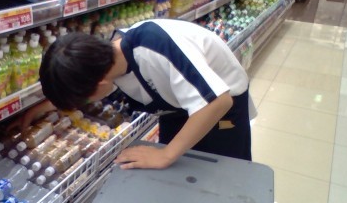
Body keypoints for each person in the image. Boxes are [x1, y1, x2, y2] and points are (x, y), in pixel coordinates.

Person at [22, 19, 253, 169]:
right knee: (180, 177)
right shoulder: (108, 61)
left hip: (221, 112)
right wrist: (47, 105)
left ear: (100, 84)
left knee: (221, 176)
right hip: (177, 109)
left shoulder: (157, 47)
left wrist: (166, 155)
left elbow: (218, 102)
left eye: (82, 100)